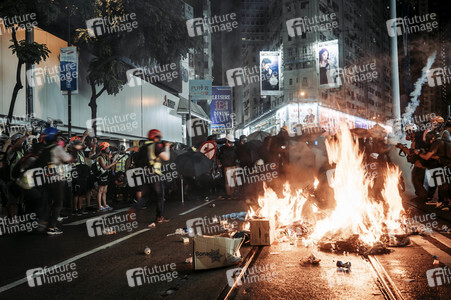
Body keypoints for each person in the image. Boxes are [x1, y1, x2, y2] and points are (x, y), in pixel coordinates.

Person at [128, 129, 171, 224]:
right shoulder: (155, 145)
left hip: (145, 174)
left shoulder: (143, 147)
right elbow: (166, 157)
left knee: (146, 196)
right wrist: (167, 147)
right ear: (156, 137)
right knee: (160, 196)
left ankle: (133, 208)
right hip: (155, 174)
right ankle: (159, 217)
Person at [38, 127, 73, 235]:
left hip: (46, 179)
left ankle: (43, 222)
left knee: (48, 202)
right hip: (57, 180)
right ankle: (52, 227)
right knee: (58, 203)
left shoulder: (44, 149)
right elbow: (69, 159)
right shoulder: (57, 148)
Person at [68, 131, 90, 215]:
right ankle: (75, 209)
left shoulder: (80, 151)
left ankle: (80, 208)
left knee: (81, 192)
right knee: (76, 192)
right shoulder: (72, 150)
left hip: (82, 171)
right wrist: (84, 136)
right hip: (76, 171)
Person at [96, 142, 116, 211]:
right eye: (107, 148)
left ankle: (104, 204)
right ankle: (99, 206)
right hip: (101, 176)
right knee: (100, 191)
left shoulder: (105, 157)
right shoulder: (100, 157)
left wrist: (109, 159)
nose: (108, 149)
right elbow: (105, 167)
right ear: (103, 149)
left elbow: (109, 167)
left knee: (105, 191)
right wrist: (113, 163)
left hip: (106, 175)